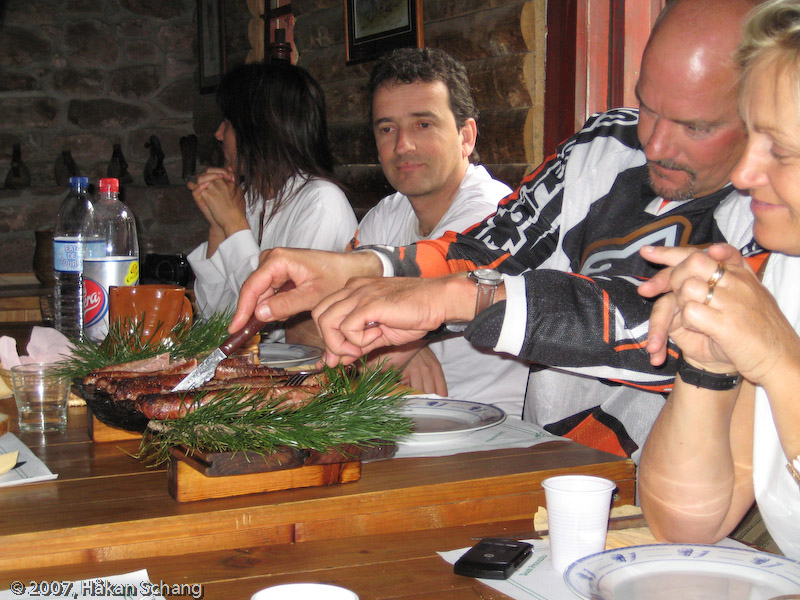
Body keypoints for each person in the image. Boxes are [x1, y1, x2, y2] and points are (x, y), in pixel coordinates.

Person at [232, 0, 760, 462]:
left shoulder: (776, 203)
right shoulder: (604, 142)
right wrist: (363, 268)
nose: (657, 144)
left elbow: (671, 326)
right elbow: (489, 247)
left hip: (692, 493)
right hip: (550, 463)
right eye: (647, 105)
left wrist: (463, 300)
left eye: (696, 126)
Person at [636, 0, 800, 559]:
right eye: (751, 134)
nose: (742, 174)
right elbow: (684, 526)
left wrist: (783, 364)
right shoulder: (789, 270)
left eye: (779, 149)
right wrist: (709, 364)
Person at [350, 47, 530, 416]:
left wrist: (393, 346)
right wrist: (403, 345)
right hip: (408, 424)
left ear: (467, 137)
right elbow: (317, 326)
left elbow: (351, 360)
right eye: (387, 128)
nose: (403, 145)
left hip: (492, 439)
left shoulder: (492, 215)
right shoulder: (387, 213)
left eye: (423, 124)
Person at [187, 61, 357, 343]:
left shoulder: (320, 202)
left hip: (305, 378)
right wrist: (218, 227)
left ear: (259, 132)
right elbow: (214, 321)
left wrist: (234, 224)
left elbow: (272, 322)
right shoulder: (251, 198)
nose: (218, 134)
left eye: (228, 124)